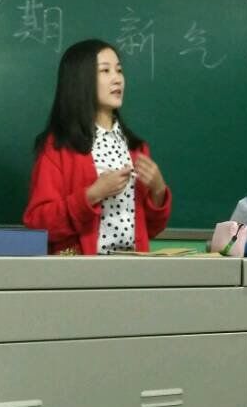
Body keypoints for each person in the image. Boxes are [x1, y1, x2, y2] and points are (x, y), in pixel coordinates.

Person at [23, 39, 171, 254]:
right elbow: (38, 223)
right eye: (105, 71)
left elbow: (151, 229)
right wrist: (93, 194)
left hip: (134, 267)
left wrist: (158, 190)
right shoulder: (58, 148)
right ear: (80, 80)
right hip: (81, 269)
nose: (117, 79)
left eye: (119, 70)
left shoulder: (136, 148)